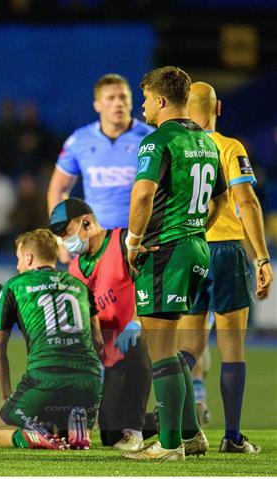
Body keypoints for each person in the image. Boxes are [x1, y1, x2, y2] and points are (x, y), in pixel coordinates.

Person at [122, 66, 228, 461]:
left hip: (165, 250)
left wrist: (134, 242)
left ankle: (169, 446)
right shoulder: (205, 141)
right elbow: (219, 199)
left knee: (160, 349)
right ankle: (191, 434)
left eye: (146, 98)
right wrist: (195, 228)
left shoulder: (157, 141)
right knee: (176, 347)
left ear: (161, 100)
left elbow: (142, 196)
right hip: (197, 248)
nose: (143, 105)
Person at [177, 82, 273, 453]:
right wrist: (261, 257)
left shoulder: (176, 148)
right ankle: (232, 437)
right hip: (227, 251)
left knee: (186, 349)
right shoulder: (229, 147)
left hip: (187, 250)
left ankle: (183, 431)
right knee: (232, 347)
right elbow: (246, 202)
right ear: (217, 106)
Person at [49, 198, 155, 451]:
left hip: (136, 338)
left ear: (86, 221)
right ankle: (182, 418)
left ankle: (135, 431)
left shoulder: (123, 242)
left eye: (66, 232)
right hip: (110, 354)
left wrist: (137, 322)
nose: (65, 240)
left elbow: (150, 278)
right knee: (109, 434)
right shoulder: (76, 268)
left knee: (136, 342)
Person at [0, 228, 102, 450]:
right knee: (62, 412)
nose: (18, 265)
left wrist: (5, 395)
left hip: (45, 377)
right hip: (88, 382)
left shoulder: (16, 285)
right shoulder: (79, 286)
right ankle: (77, 430)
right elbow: (98, 342)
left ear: (29, 258)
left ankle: (30, 437)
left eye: (19, 259)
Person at [47, 74, 154, 228]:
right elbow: (58, 189)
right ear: (97, 105)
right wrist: (62, 235)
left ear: (130, 102)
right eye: (110, 98)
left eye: (123, 97)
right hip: (96, 241)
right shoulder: (79, 140)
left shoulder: (151, 139)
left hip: (142, 240)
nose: (118, 103)